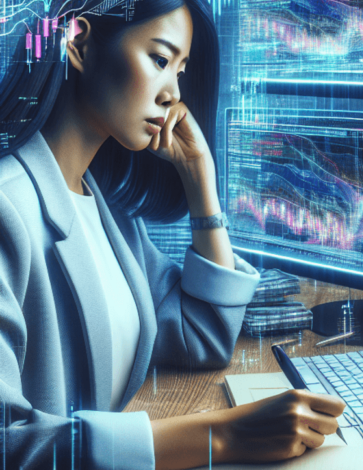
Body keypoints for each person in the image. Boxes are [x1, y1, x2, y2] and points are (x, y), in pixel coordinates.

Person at [0, 1, 345, 468]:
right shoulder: (8, 209)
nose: (172, 94)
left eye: (180, 70)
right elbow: (7, 443)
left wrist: (201, 181)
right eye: (160, 60)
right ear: (78, 43)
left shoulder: (108, 213)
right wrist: (219, 435)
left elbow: (201, 334)